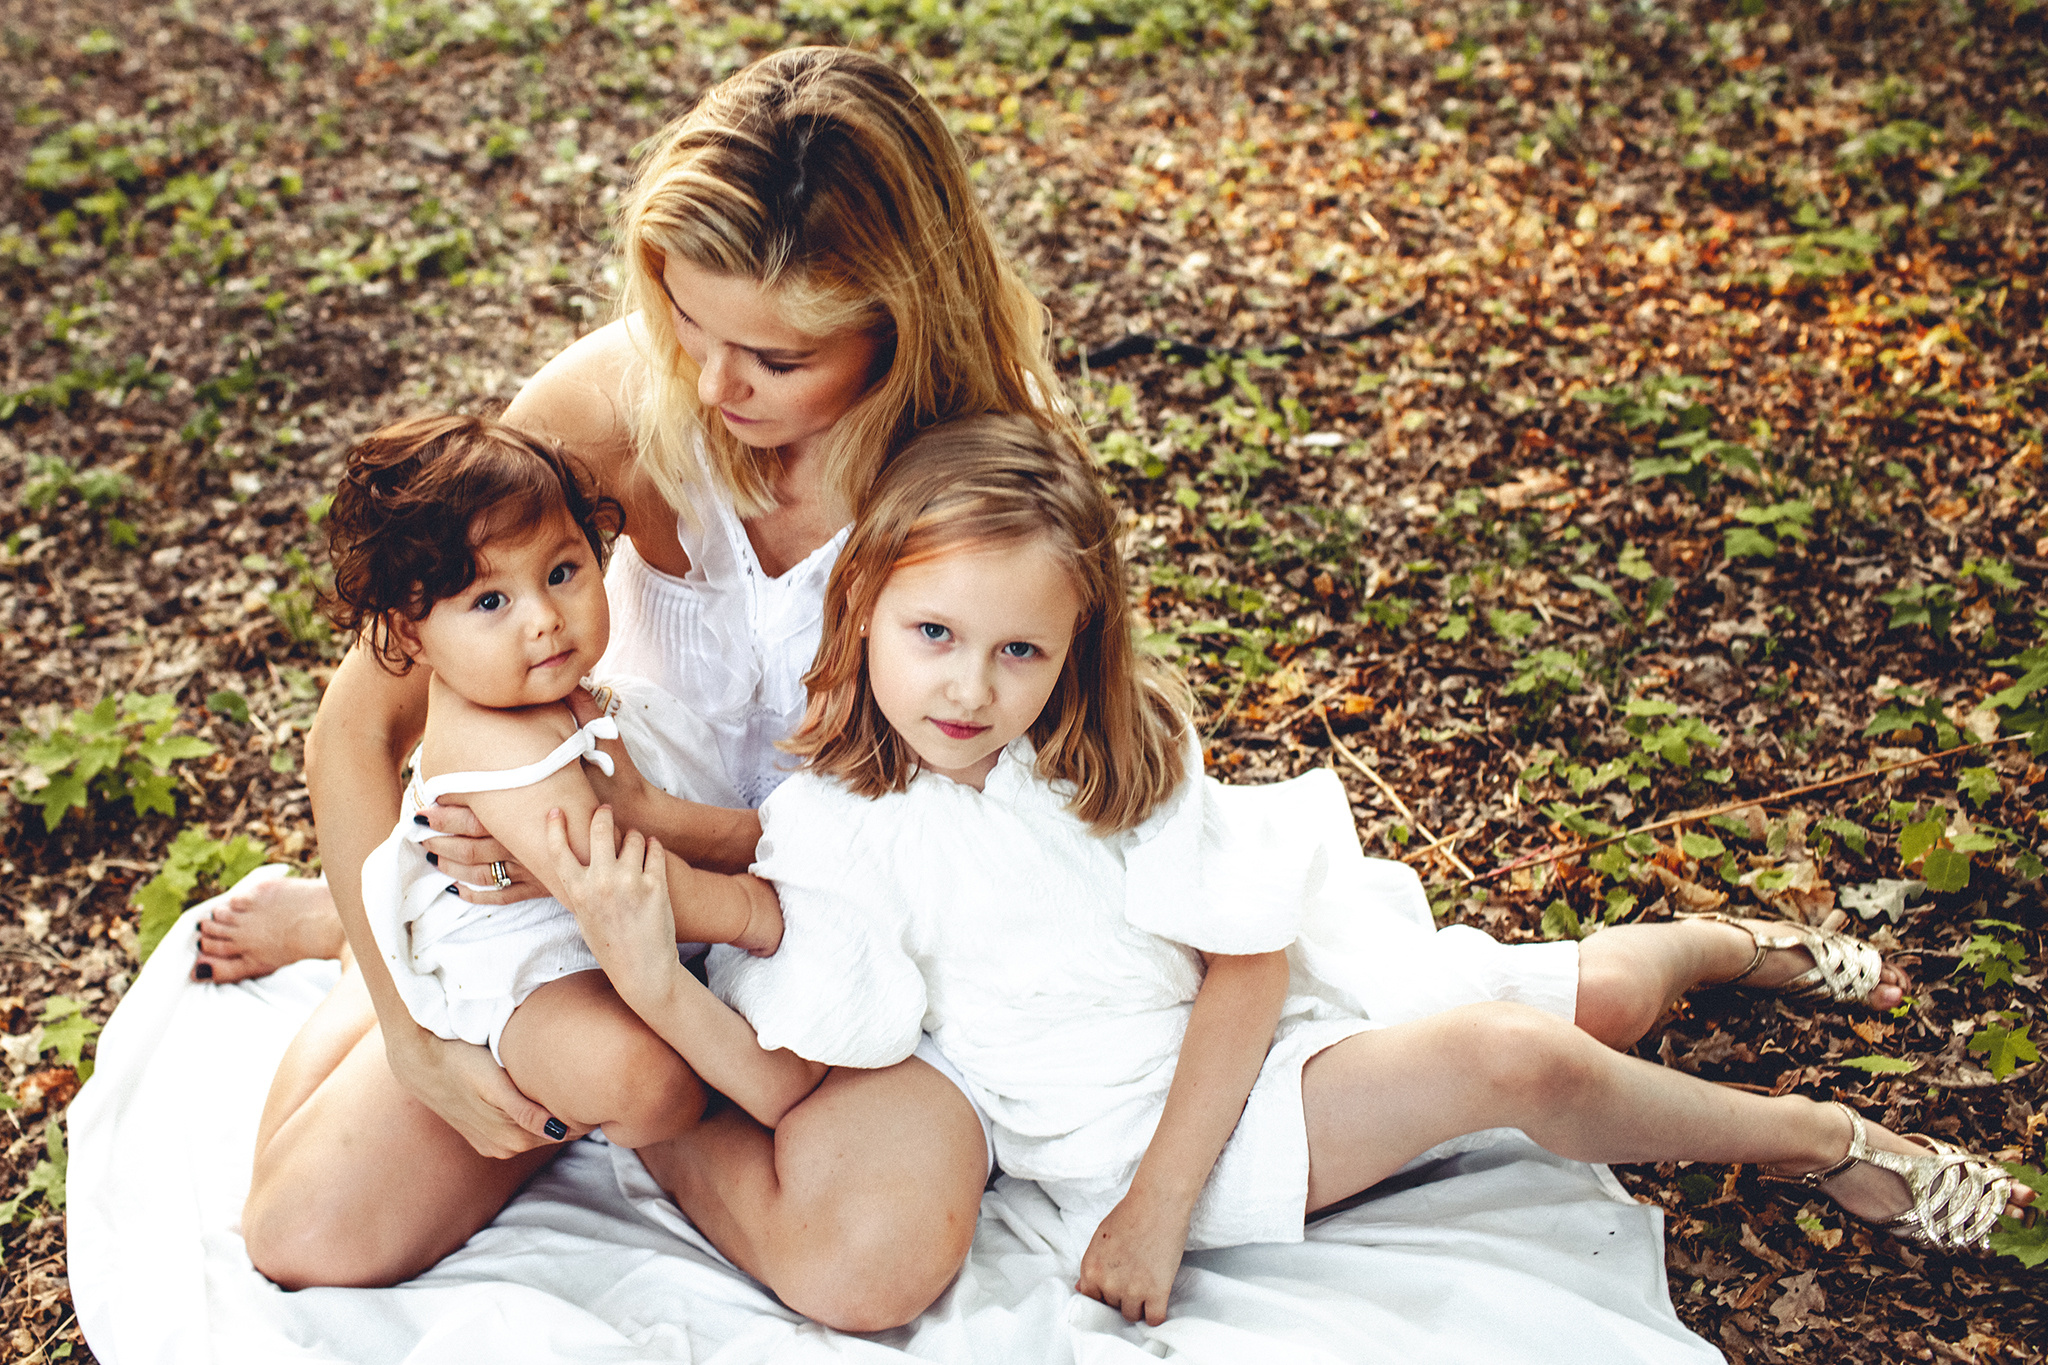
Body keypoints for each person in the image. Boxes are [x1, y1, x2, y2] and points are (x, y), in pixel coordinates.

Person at [543, 414, 2033, 1328]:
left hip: (1248, 1058)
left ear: (1074, 649)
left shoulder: (1106, 755)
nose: (969, 687)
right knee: (1524, 1057)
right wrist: (644, 880)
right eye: (932, 635)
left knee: (1594, 1014)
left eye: (1019, 650)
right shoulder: (831, 821)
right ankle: (1812, 1133)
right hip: (1121, 1133)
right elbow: (785, 969)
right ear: (862, 608)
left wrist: (1161, 1209)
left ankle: (1733, 966)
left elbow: (1244, 964)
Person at [236, 46, 1072, 1331]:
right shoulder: (607, 408)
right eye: (687, 319)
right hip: (581, 892)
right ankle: (376, 936)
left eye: (776, 356)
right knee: (310, 1232)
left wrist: (671, 1024)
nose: (715, 383)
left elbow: (1033, 772)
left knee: (869, 1263)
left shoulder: (981, 470)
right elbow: (362, 721)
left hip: (837, 924)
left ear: (899, 320)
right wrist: (415, 1033)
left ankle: (648, 1107)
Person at [320, 413, 786, 1148]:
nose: (544, 618)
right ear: (412, 635)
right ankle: (633, 1135)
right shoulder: (492, 738)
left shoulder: (549, 694)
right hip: (526, 968)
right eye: (490, 601)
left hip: (612, 931)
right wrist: (750, 912)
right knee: (649, 1082)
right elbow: (612, 878)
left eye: (562, 573)